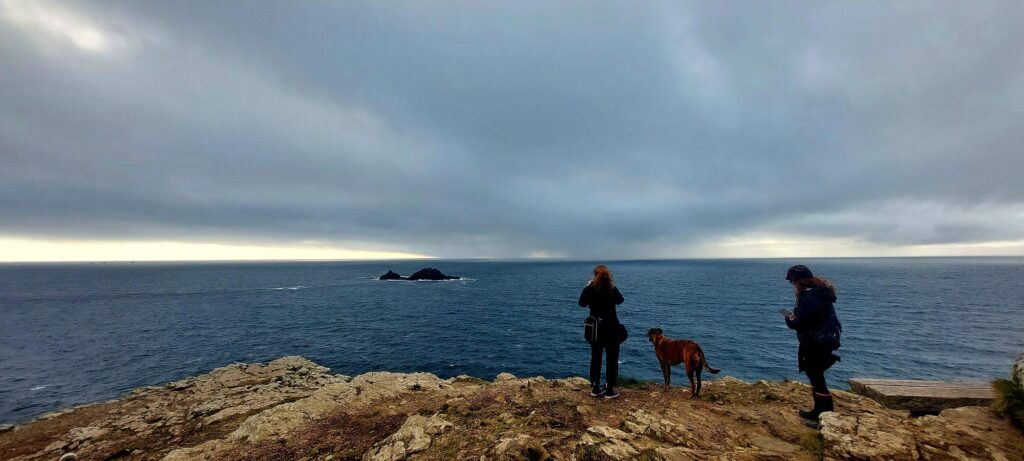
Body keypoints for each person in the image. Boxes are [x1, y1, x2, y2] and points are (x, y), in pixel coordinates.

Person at [782, 265, 842, 426]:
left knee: (816, 376)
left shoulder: (809, 297)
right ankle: (820, 412)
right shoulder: (820, 293)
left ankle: (823, 415)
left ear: (798, 281)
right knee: (816, 376)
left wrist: (789, 318)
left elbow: (802, 322)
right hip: (824, 339)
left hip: (816, 341)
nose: (792, 285)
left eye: (792, 282)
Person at [578, 264, 625, 399]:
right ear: (608, 275)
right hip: (611, 328)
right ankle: (609, 388)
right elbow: (620, 300)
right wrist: (613, 287)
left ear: (595, 275)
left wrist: (587, 287)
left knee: (596, 358)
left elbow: (581, 303)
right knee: (612, 358)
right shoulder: (611, 288)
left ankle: (595, 387)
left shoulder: (591, 288)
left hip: (596, 329)